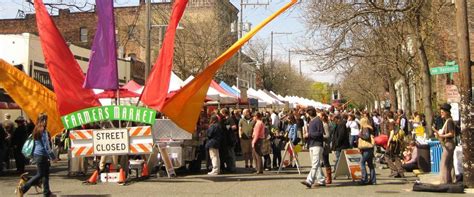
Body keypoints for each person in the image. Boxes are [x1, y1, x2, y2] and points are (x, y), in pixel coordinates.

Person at [17, 113, 56, 197]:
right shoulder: (43, 131)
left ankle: (47, 193)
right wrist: (53, 157)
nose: (46, 122)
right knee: (40, 174)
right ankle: (23, 188)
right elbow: (46, 146)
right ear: (44, 120)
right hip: (42, 155)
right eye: (46, 120)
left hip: (38, 154)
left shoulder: (36, 129)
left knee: (45, 174)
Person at [301, 107, 326, 188]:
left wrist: (309, 135)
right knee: (316, 164)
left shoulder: (318, 121)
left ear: (309, 113)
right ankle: (321, 180)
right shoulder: (311, 121)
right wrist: (307, 136)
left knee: (315, 164)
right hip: (312, 144)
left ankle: (309, 180)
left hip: (317, 145)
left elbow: (320, 133)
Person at [433, 103, 456, 184]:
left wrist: (441, 135)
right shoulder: (447, 121)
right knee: (449, 163)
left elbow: (451, 133)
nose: (441, 113)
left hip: (448, 143)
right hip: (449, 143)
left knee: (444, 162)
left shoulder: (449, 121)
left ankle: (445, 181)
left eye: (442, 112)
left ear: (447, 112)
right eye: (441, 112)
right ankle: (450, 180)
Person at [358, 117, 376, 185]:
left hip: (367, 148)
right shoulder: (369, 128)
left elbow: (366, 136)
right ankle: (373, 180)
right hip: (369, 148)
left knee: (362, 163)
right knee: (370, 164)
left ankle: (364, 179)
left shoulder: (365, 128)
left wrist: (360, 135)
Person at [219, 108, 237, 173]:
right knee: (228, 155)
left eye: (221, 113)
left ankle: (232, 168)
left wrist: (227, 127)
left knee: (231, 154)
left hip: (230, 139)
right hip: (227, 139)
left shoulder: (230, 119)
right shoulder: (224, 119)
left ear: (224, 113)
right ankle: (229, 167)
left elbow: (234, 127)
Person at [320, 112, 332, 184]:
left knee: (326, 161)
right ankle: (327, 177)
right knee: (324, 161)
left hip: (325, 145)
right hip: (323, 144)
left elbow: (327, 135)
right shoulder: (323, 124)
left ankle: (329, 178)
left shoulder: (325, 125)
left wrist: (320, 135)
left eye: (320, 116)